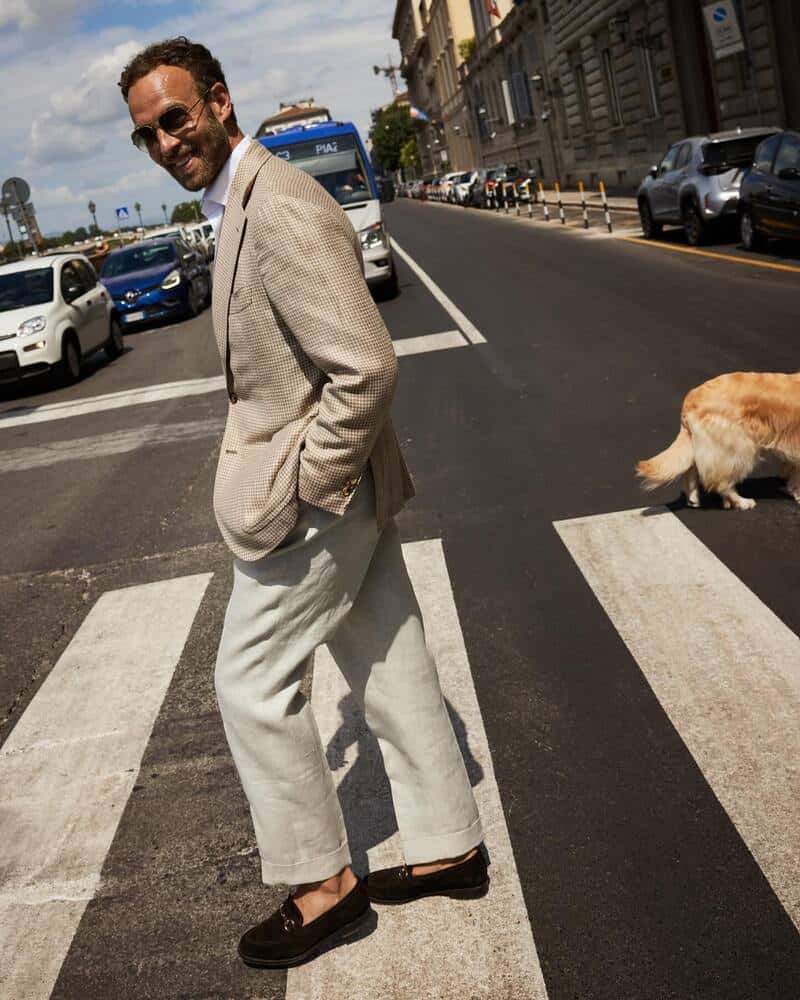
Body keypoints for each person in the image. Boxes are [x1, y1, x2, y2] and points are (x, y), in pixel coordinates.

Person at [119, 37, 487, 969]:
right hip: (340, 491)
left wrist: (311, 491)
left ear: (218, 101)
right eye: (146, 135)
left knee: (247, 684)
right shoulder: (236, 201)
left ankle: (322, 887)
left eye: (175, 118)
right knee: (389, 654)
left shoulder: (276, 202)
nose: (165, 141)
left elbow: (366, 366)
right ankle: (450, 843)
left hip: (320, 499)